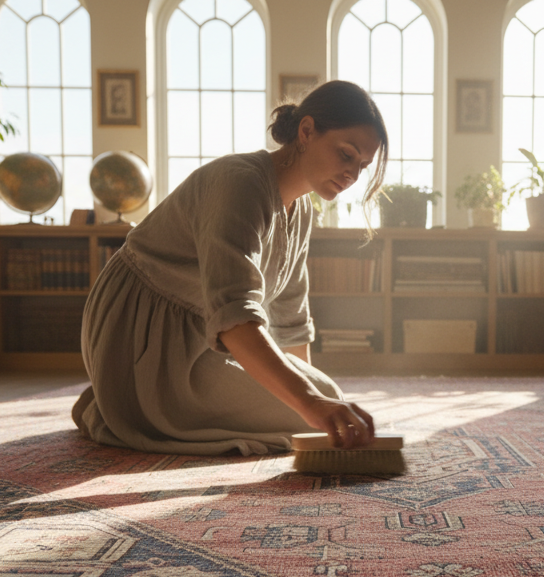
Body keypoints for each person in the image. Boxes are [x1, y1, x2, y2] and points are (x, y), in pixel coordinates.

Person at [72, 80, 388, 456]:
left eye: (363, 166)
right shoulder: (240, 183)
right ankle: (120, 393)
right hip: (146, 331)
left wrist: (311, 388)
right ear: (306, 131)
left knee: (324, 398)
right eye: (346, 155)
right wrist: (308, 405)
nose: (353, 174)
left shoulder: (302, 209)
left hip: (205, 337)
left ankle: (123, 396)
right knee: (307, 410)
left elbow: (289, 313)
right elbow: (234, 314)